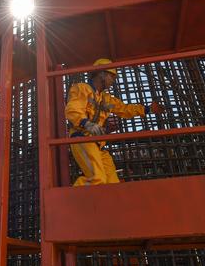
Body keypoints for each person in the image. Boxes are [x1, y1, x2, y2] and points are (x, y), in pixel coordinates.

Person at [65, 58, 165, 186]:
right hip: (82, 139)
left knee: (112, 184)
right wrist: (87, 124)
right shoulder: (82, 89)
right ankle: (70, 202)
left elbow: (124, 109)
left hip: (99, 145)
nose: (114, 80)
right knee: (98, 179)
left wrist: (148, 109)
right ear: (101, 73)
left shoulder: (106, 99)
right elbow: (72, 109)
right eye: (112, 76)